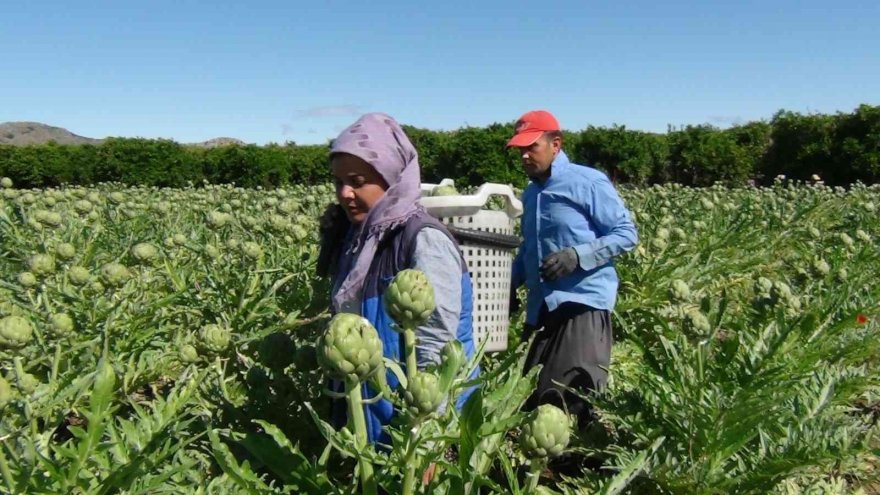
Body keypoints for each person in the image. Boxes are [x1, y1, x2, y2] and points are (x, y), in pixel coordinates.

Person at [317, 112, 477, 445]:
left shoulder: (424, 240)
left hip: (420, 421)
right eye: (338, 182)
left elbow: (437, 347)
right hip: (374, 415)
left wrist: (427, 433)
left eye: (357, 181)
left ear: (392, 178)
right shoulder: (358, 236)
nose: (344, 193)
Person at [507, 110, 638, 426]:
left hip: (582, 305)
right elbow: (529, 249)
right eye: (520, 150)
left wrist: (578, 256)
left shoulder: (587, 181)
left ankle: (577, 468)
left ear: (556, 143)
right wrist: (508, 285)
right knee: (527, 403)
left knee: (567, 403)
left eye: (532, 147)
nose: (525, 156)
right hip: (541, 310)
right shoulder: (531, 193)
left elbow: (626, 234)